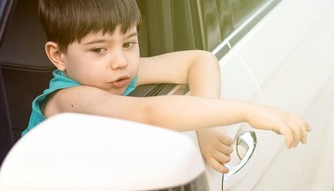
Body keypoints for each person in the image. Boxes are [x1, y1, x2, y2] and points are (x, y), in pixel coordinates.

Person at [23, 0, 311, 173]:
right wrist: (248, 111)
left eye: (129, 43)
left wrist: (206, 128)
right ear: (58, 56)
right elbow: (150, 111)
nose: (120, 61)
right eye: (99, 50)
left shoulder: (113, 74)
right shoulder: (70, 99)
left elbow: (200, 60)